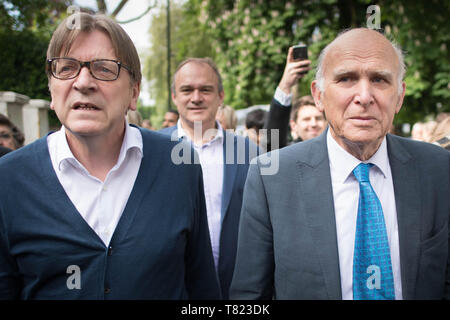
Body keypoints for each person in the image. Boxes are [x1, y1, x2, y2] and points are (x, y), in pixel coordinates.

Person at [0, 12, 220, 300]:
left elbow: (202, 286)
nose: (83, 82)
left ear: (134, 92)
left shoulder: (179, 166)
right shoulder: (9, 179)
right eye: (66, 68)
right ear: (51, 91)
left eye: (105, 69)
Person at [230, 28, 449, 300]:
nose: (365, 96)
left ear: (400, 96)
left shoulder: (438, 168)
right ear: (319, 95)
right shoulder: (271, 177)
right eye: (346, 79)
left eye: (380, 79)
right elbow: (249, 297)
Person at [160, 58, 258, 299]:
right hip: (175, 289)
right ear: (174, 97)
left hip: (236, 291)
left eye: (205, 89)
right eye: (187, 90)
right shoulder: (153, 151)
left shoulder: (250, 152)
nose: (196, 98)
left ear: (220, 96)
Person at [264, 46, 311, 151]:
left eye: (318, 118)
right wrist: (285, 85)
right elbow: (270, 143)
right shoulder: (288, 153)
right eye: (306, 119)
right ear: (294, 125)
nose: (313, 124)